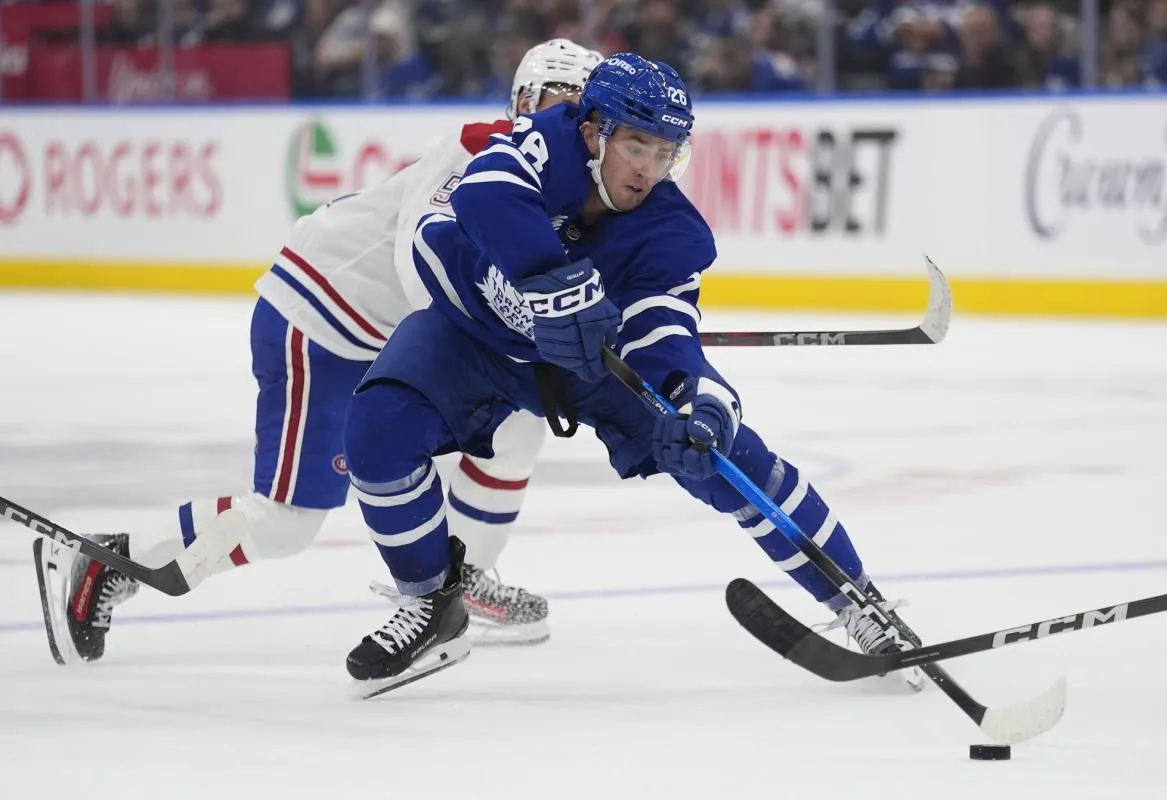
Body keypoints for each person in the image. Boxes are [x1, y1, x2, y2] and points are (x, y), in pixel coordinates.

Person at [339, 52, 927, 696]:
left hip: (589, 367)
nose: (649, 168)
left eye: (665, 151)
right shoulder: (541, 143)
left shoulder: (670, 232)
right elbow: (457, 219)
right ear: (594, 132)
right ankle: (432, 603)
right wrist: (541, 284)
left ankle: (860, 602)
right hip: (473, 340)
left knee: (725, 456)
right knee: (378, 426)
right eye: (636, 146)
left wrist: (699, 402)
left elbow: (665, 333)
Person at [32, 38, 604, 665]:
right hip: (322, 323)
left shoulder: (571, 188)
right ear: (523, 102)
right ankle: (110, 560)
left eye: (586, 108)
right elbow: (420, 257)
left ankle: (457, 578)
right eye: (559, 100)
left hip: (381, 337)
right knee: (285, 524)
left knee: (519, 424)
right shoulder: (481, 151)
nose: (572, 119)